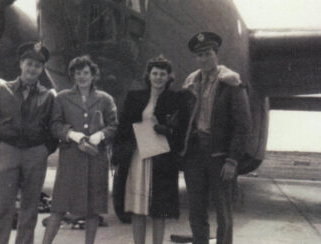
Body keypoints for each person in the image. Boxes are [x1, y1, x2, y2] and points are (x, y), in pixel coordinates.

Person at [0, 41, 58, 244]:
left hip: (35, 154)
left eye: (37, 66)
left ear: (42, 69)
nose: (32, 69)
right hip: (7, 151)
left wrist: (44, 150)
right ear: (21, 64)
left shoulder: (48, 97)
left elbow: (54, 128)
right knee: (1, 207)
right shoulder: (3, 91)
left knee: (30, 209)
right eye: (29, 64)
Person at [181, 32, 251, 244]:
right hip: (194, 155)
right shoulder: (190, 84)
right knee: (196, 210)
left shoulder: (231, 84)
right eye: (200, 55)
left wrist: (232, 160)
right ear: (196, 58)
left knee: (223, 211)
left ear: (216, 55)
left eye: (208, 54)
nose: (204, 59)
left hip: (219, 156)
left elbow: (243, 125)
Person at [114, 55, 191, 244]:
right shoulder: (135, 97)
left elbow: (183, 129)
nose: (158, 77)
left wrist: (167, 130)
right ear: (148, 76)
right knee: (137, 207)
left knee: (160, 209)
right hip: (138, 157)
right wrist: (121, 150)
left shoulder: (176, 99)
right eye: (154, 73)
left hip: (162, 159)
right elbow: (123, 125)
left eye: (162, 74)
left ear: (168, 77)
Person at [42, 55, 118, 244]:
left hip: (96, 159)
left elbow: (114, 126)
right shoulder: (62, 98)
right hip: (71, 159)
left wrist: (101, 135)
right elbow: (55, 125)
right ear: (73, 76)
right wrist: (71, 135)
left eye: (86, 73)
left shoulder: (105, 99)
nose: (82, 77)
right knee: (59, 207)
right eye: (78, 73)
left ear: (93, 75)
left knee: (93, 210)